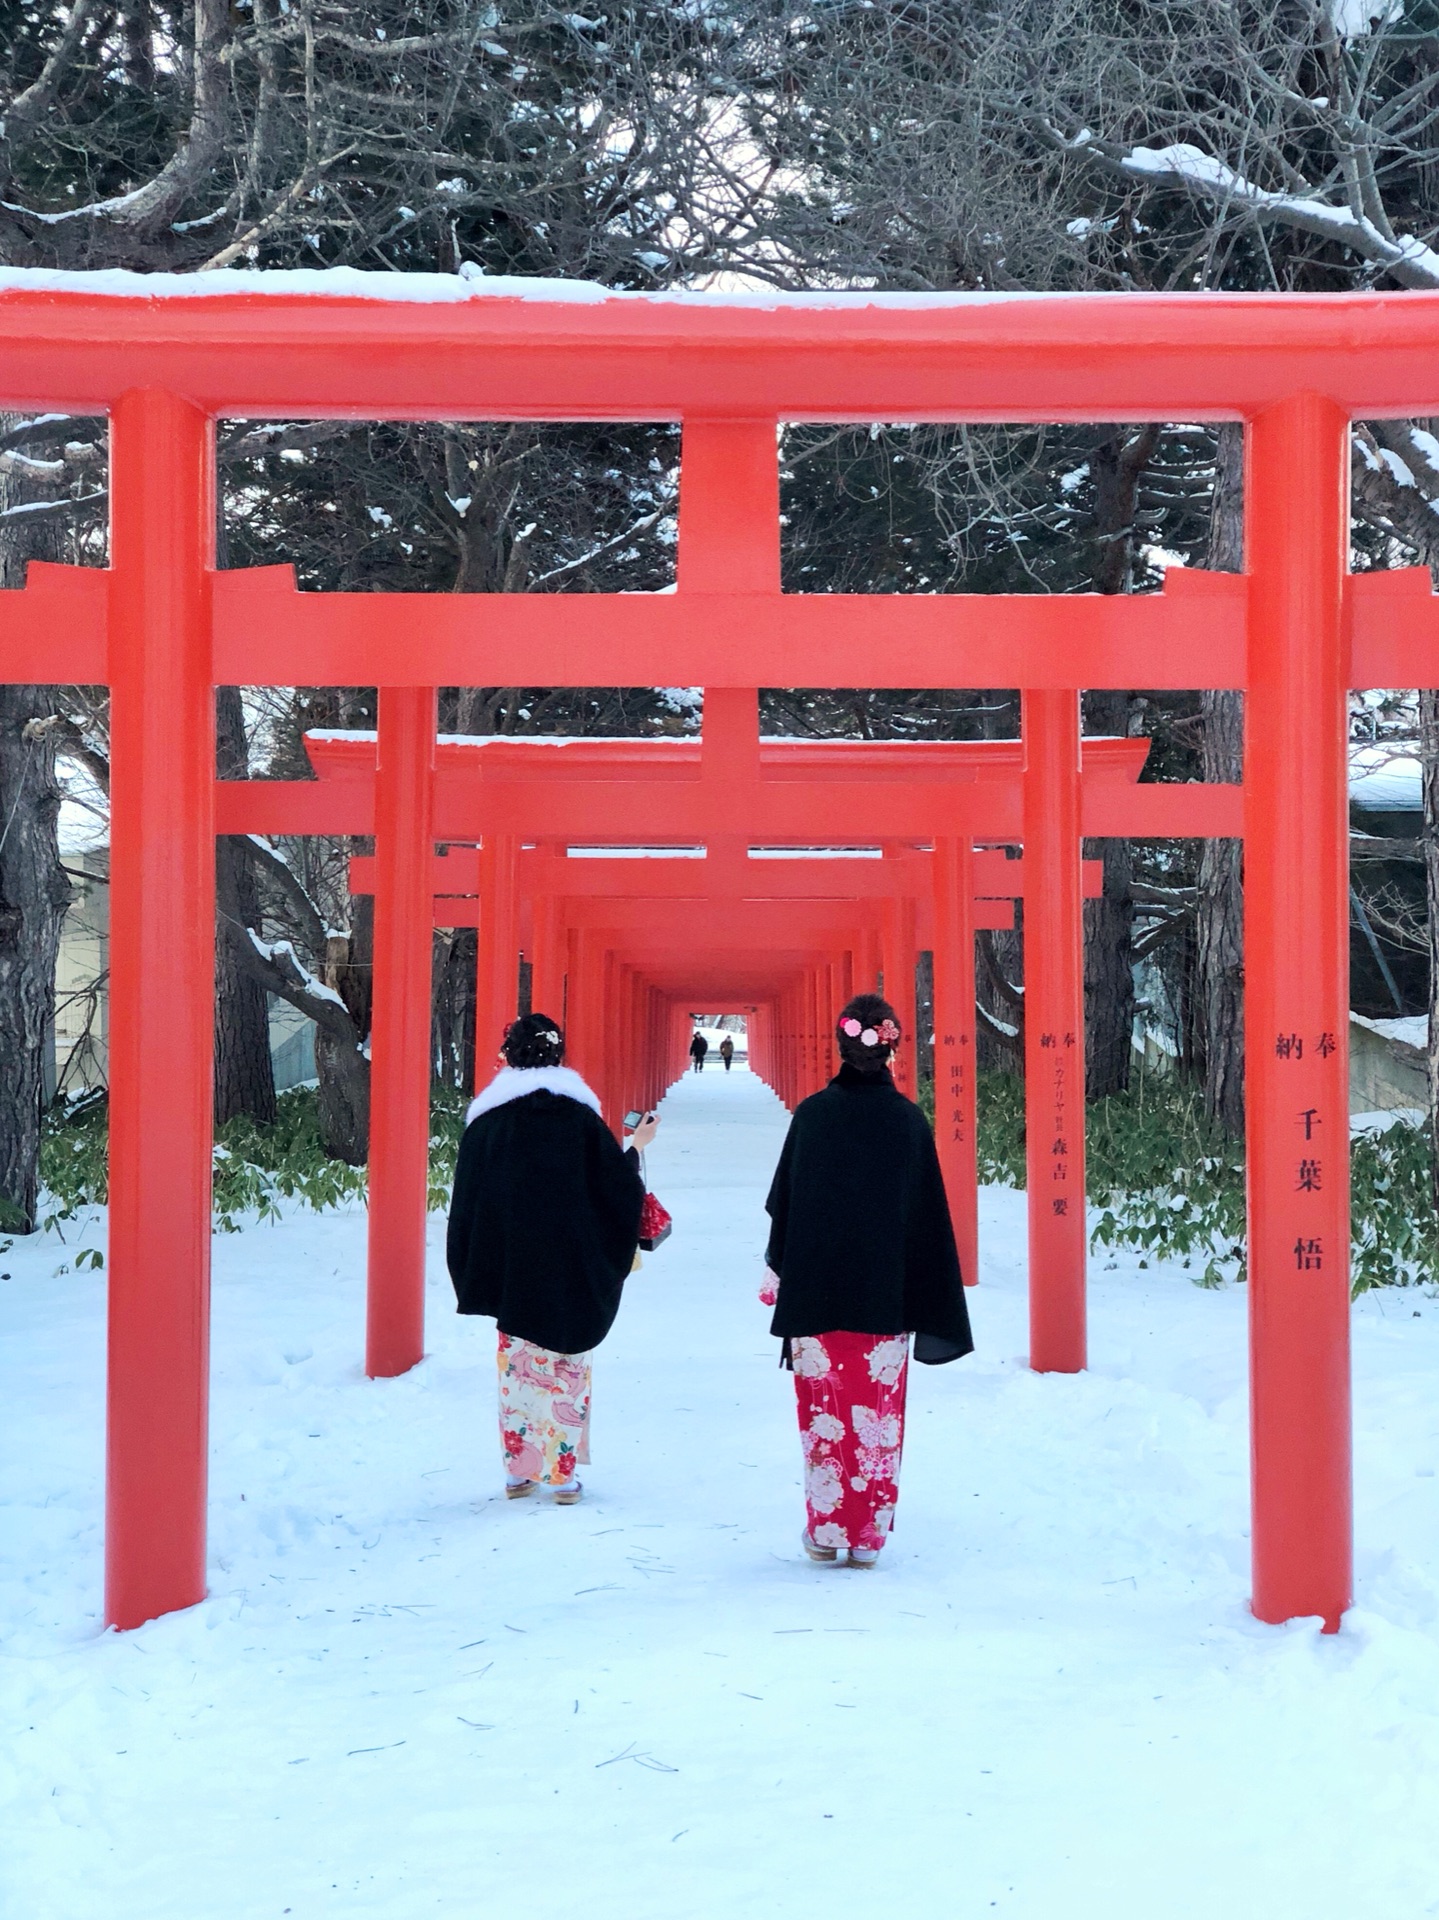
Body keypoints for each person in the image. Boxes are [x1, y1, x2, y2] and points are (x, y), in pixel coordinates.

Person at [760, 991, 972, 1568]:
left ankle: (826, 1530)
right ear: (892, 1049)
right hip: (884, 1300)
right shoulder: (907, 1122)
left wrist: (779, 1269)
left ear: (841, 1045)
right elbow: (926, 1217)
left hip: (817, 1300)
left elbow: (787, 1204)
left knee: (824, 1421)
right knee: (875, 1423)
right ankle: (867, 1535)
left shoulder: (812, 1116)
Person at [447, 1011, 658, 1504]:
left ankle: (518, 1472)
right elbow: (617, 1192)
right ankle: (561, 1475)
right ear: (559, 1055)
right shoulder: (579, 1118)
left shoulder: (486, 1123)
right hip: (570, 1267)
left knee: (518, 1369)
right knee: (566, 1366)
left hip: (511, 1268)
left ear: (509, 1057)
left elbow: (467, 1202)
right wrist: (636, 1146)